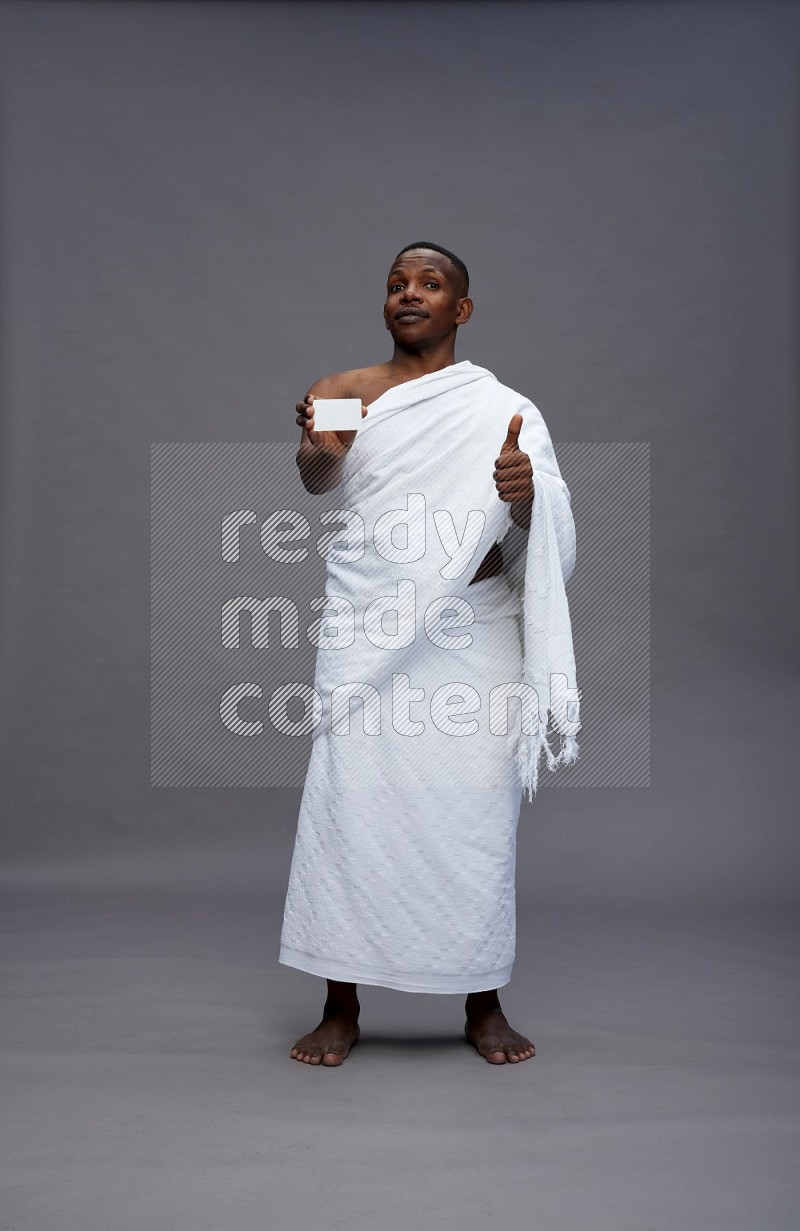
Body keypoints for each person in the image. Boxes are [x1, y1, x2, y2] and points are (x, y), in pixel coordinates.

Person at [280, 242, 577, 1066]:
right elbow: (316, 479)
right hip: (371, 623)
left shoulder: (506, 407)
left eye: (430, 284)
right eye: (396, 284)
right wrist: (320, 446)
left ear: (461, 309)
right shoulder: (344, 391)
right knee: (352, 804)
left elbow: (540, 532)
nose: (409, 293)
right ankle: (340, 1004)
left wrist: (526, 499)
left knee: (473, 809)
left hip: (471, 627)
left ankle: (483, 1001)